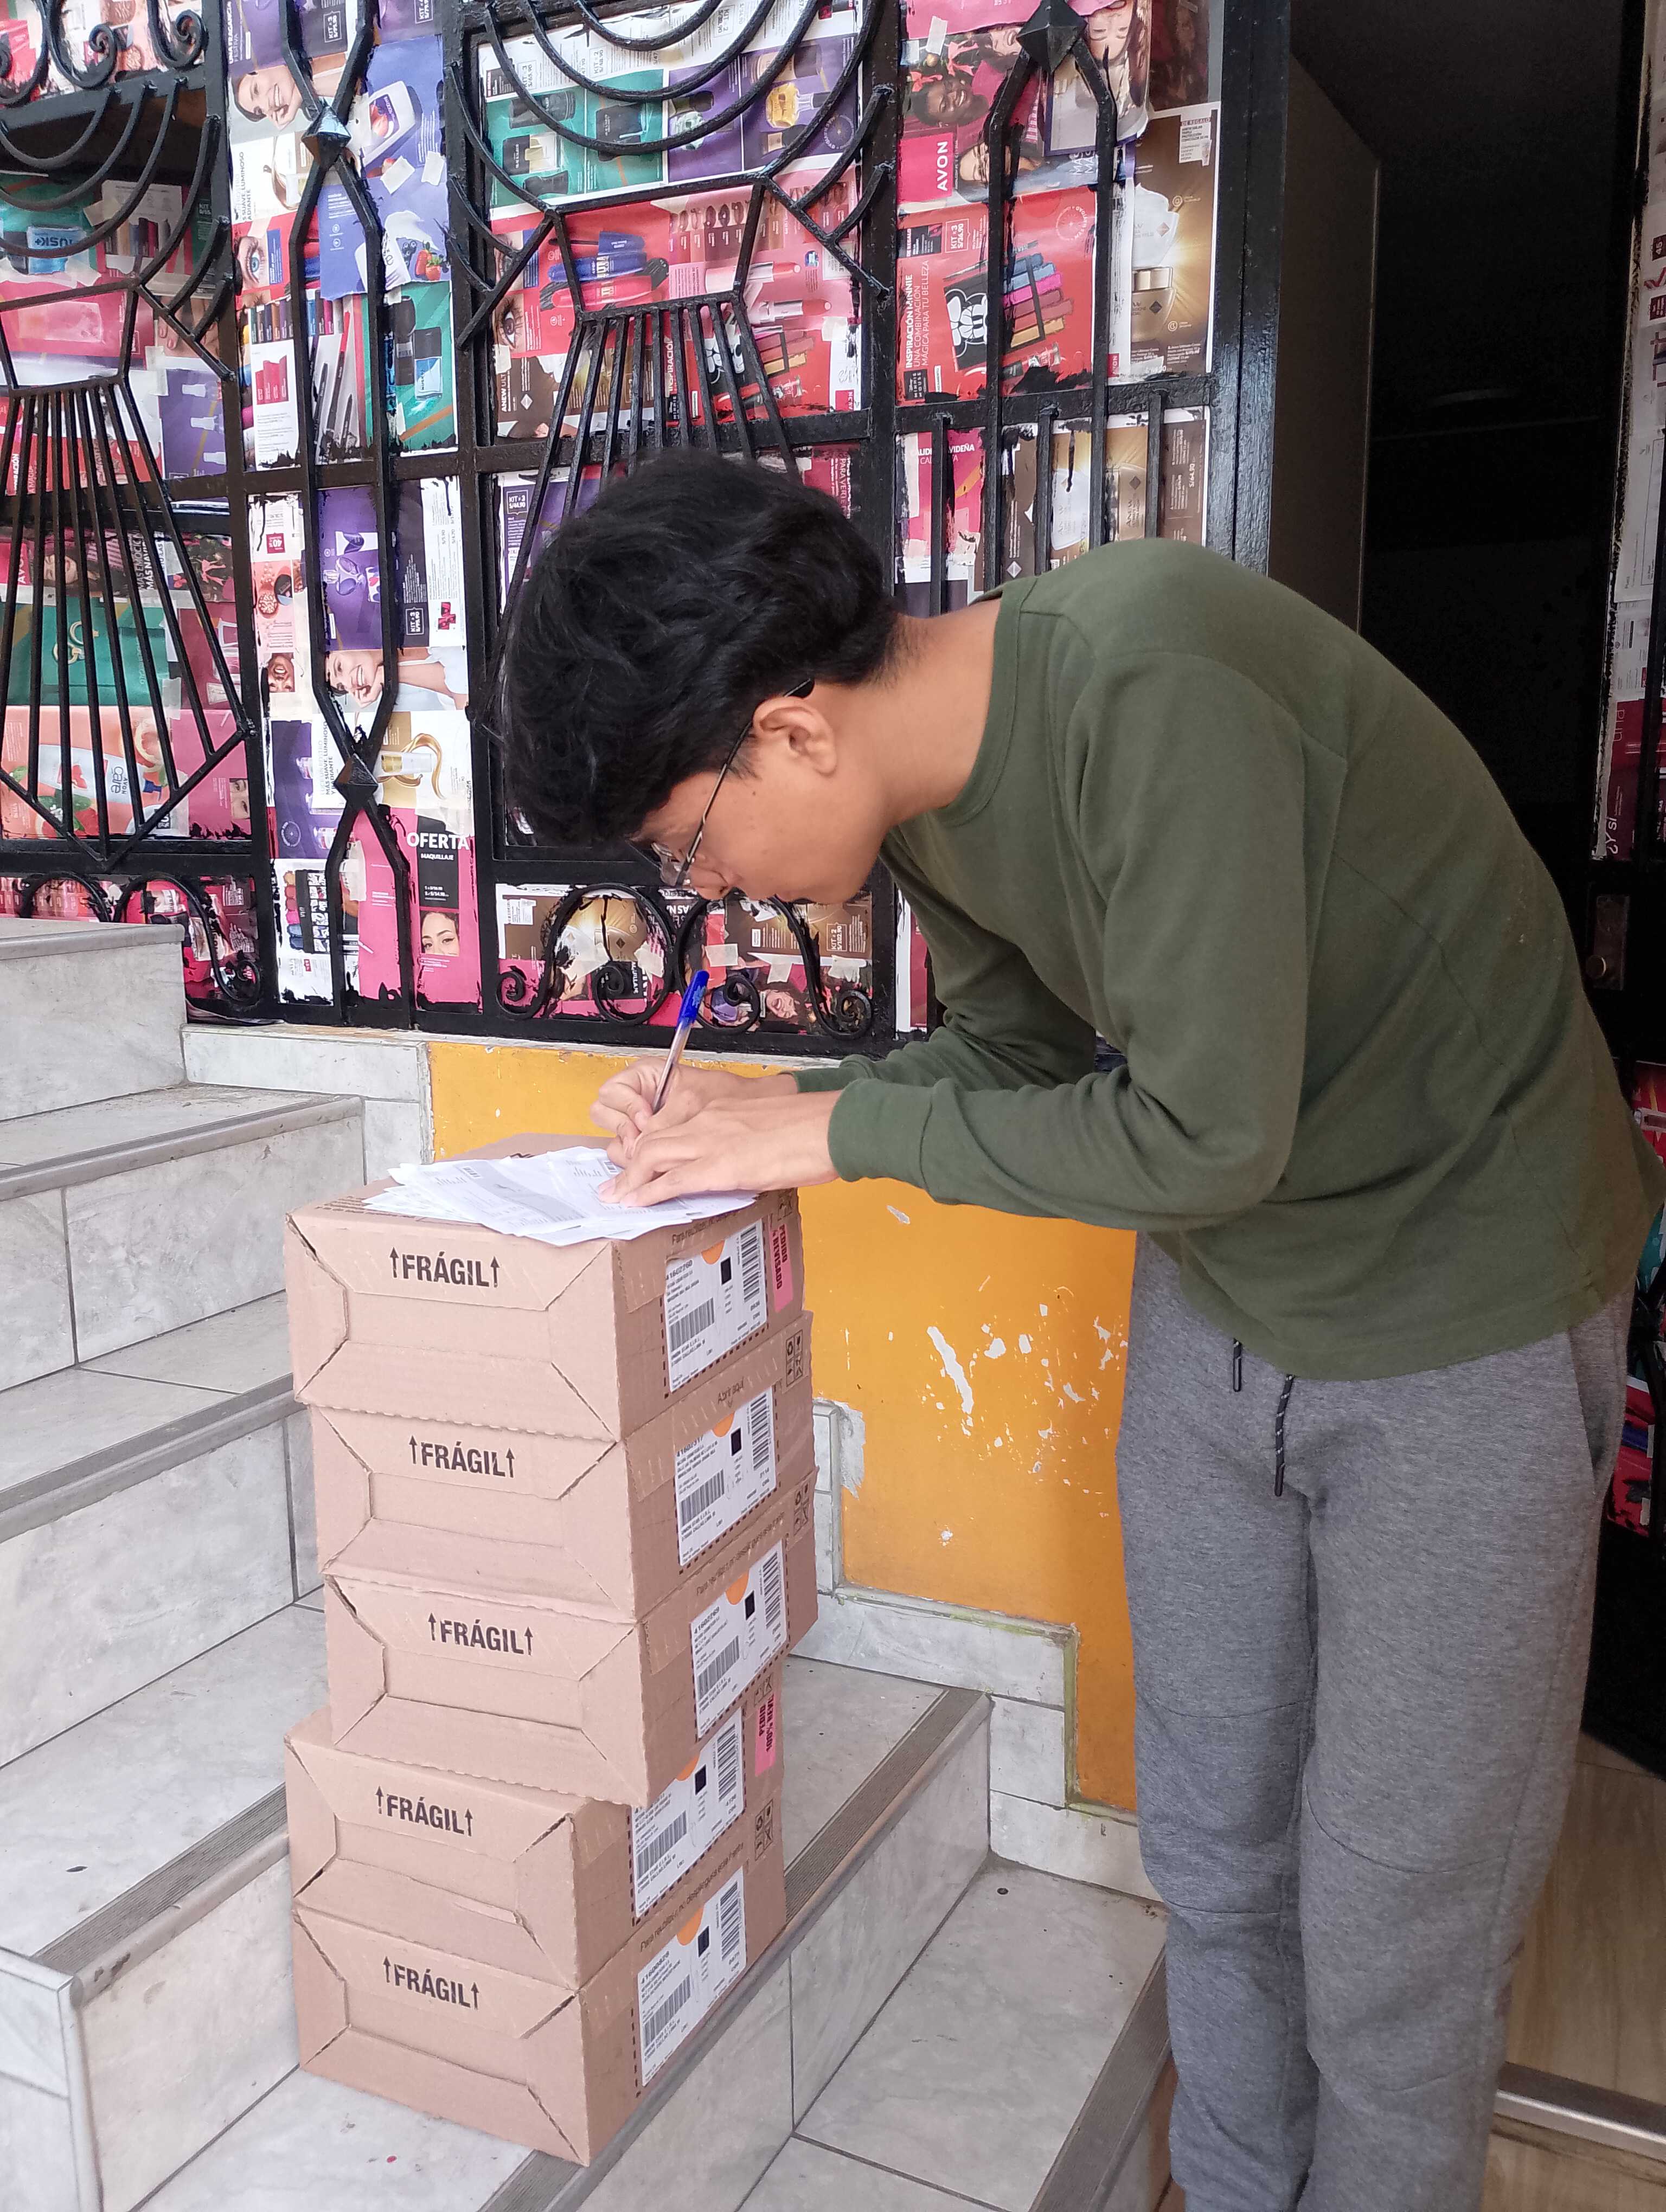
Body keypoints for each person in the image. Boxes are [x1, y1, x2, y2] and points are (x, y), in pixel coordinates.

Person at [497, 449, 1666, 2212]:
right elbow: (1022, 1059)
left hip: (1463, 1300)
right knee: (1215, 1846)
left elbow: (1203, 1135)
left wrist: (826, 1138)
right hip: (1231, 1288)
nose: (707, 891)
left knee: (1396, 1925)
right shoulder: (922, 805)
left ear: (791, 732)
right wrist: (790, 1102)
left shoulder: (1150, 680)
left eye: (687, 843)